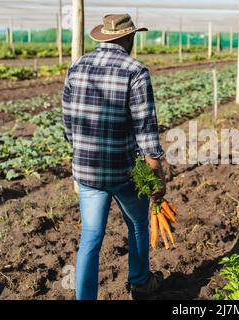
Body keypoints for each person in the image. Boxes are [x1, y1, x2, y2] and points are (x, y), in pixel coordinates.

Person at [62, 14, 166, 300]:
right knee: (136, 226)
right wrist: (157, 177)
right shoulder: (135, 71)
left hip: (87, 174)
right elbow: (146, 132)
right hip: (123, 173)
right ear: (129, 38)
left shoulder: (76, 67)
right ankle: (141, 283)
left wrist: (81, 154)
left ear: (104, 37)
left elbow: (68, 123)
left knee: (91, 238)